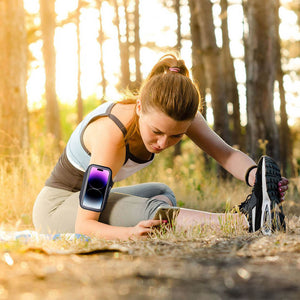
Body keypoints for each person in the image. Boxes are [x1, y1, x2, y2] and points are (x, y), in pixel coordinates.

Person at [32, 54, 289, 239]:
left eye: (176, 136)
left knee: (162, 192)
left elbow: (227, 154)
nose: (163, 143)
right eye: (156, 132)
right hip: (57, 208)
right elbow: (85, 224)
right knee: (155, 212)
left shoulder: (177, 115)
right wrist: (128, 233)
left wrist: (258, 178)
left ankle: (256, 213)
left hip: (90, 200)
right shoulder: (111, 135)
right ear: (140, 108)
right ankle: (246, 221)